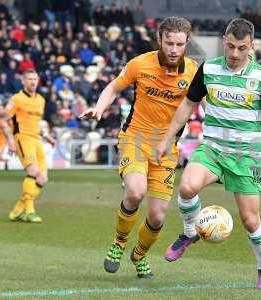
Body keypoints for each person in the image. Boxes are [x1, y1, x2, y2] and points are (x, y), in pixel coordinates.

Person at [156, 18, 261, 290]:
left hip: (245, 154)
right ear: (224, 42)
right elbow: (188, 104)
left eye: (242, 48)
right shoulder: (209, 69)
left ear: (251, 46)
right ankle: (190, 232)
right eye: (230, 46)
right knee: (187, 187)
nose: (235, 54)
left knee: (251, 221)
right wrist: (167, 138)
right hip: (213, 148)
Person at [79, 17, 197, 279]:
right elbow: (113, 87)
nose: (174, 49)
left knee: (157, 216)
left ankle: (139, 255)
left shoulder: (193, 72)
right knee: (135, 191)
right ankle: (119, 243)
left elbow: (205, 103)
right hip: (135, 139)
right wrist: (99, 108)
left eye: (179, 44)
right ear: (159, 40)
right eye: (169, 43)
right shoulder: (140, 64)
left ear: (187, 42)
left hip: (167, 149)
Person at [6, 69, 55, 223]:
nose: (33, 82)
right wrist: (10, 140)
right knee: (33, 171)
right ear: (23, 81)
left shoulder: (41, 99)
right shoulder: (16, 99)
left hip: (36, 140)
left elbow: (35, 123)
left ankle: (17, 210)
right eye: (29, 79)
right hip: (22, 138)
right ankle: (29, 210)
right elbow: (4, 120)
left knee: (42, 178)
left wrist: (47, 136)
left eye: (35, 79)